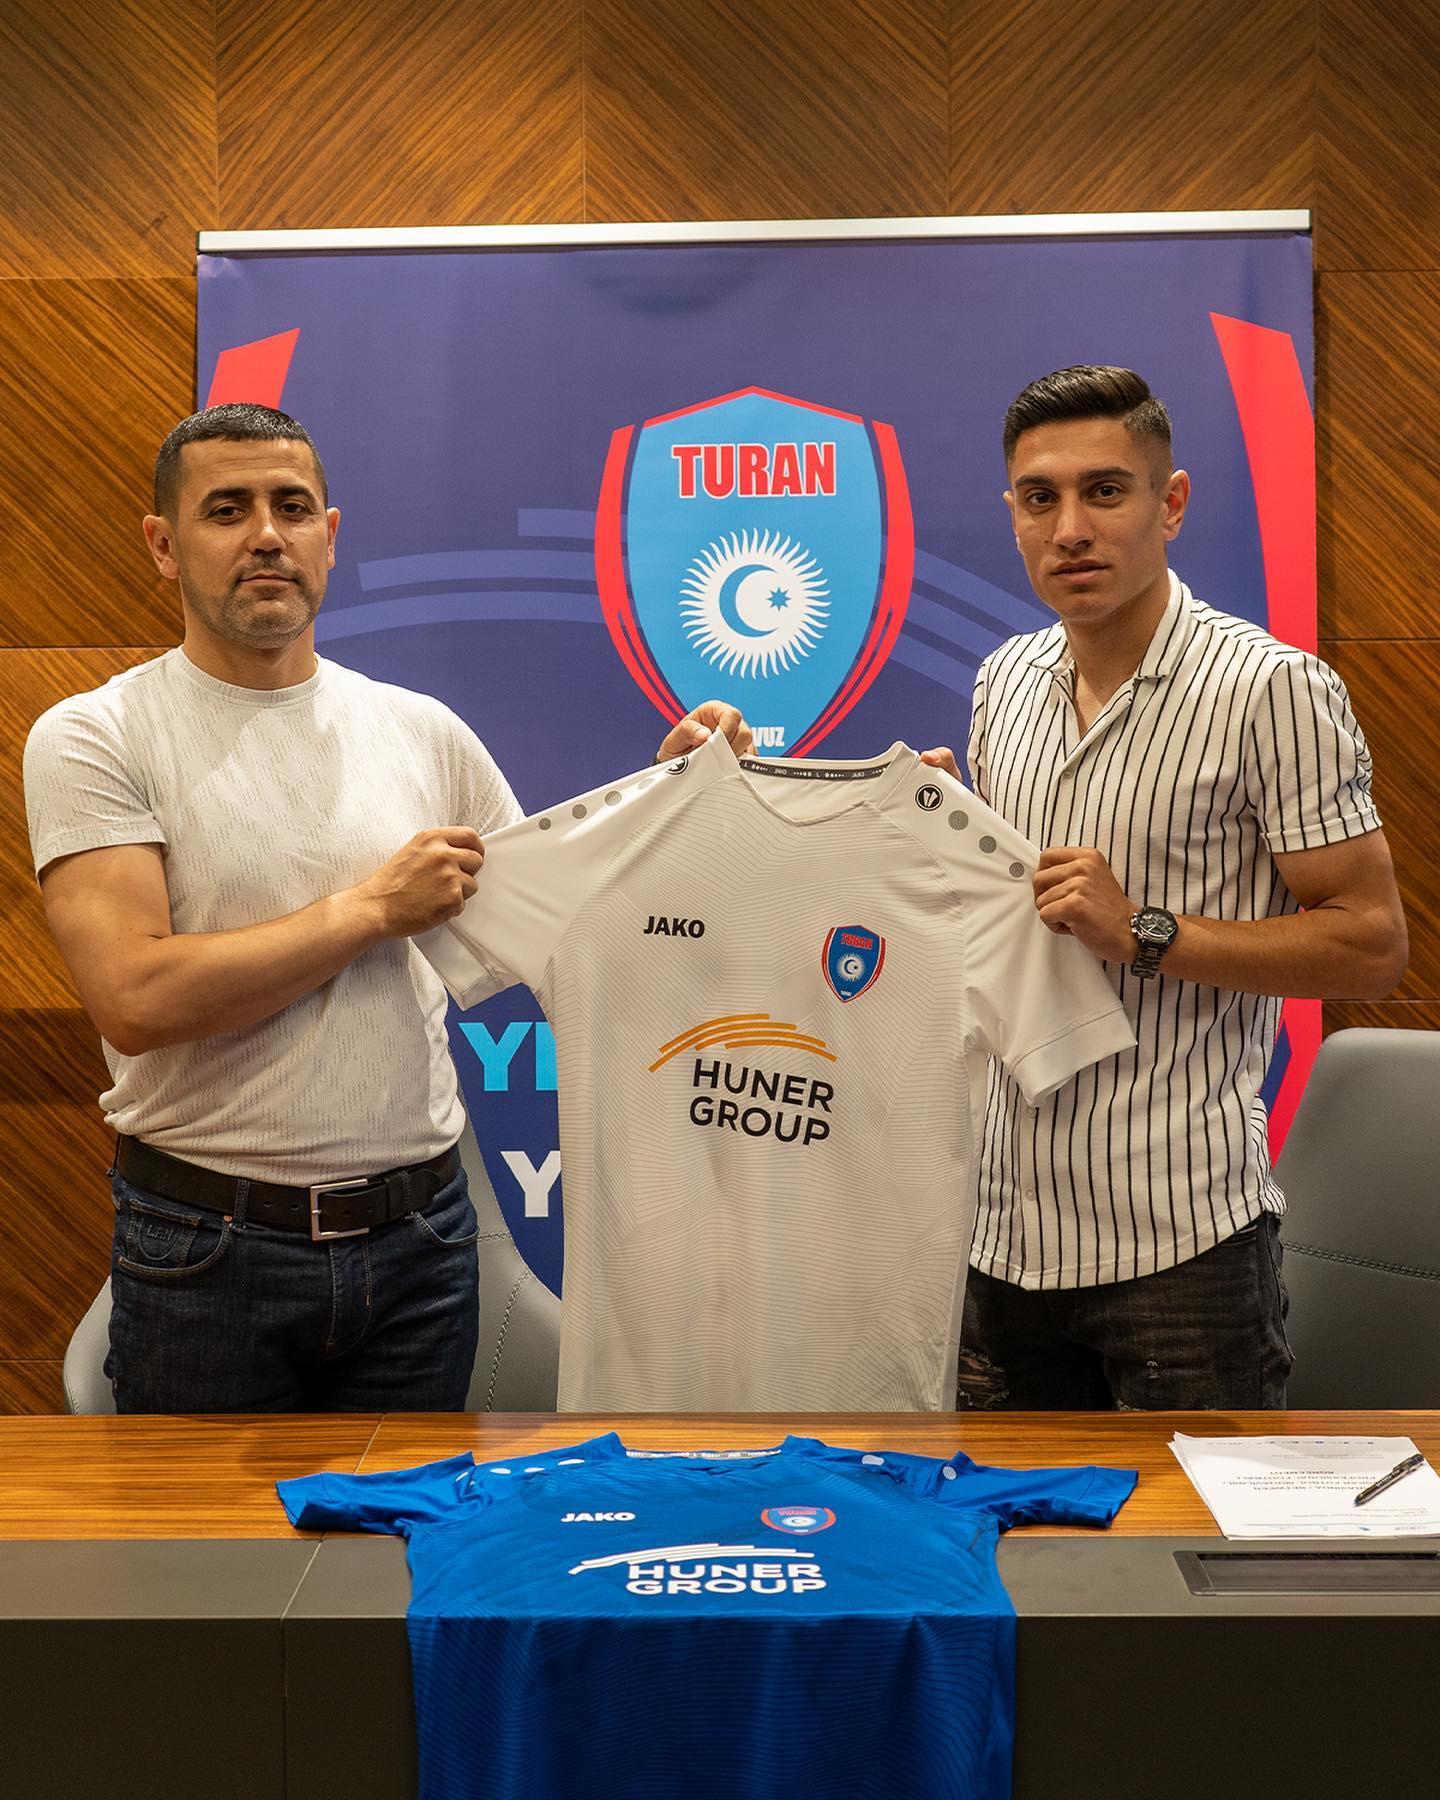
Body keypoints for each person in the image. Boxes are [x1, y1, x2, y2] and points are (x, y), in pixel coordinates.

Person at [23, 402, 749, 1414]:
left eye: (292, 508)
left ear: (330, 537)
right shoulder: (96, 736)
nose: (266, 535)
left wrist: (673, 796)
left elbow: (566, 928)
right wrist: (370, 910)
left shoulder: (422, 731)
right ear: (163, 545)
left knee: (408, 1523)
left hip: (422, 1246)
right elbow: (135, 998)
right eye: (227, 510)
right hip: (210, 1251)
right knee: (207, 1526)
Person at [923, 365, 1407, 1411]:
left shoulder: (1271, 688)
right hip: (999, 1235)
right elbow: (1017, 928)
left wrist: (1143, 929)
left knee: (1192, 1527)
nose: (1071, 530)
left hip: (1179, 1244)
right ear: (1013, 516)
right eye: (1041, 499)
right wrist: (939, 831)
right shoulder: (1004, 681)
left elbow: (1372, 943)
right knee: (1014, 1523)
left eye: (1106, 491)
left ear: (1170, 503)